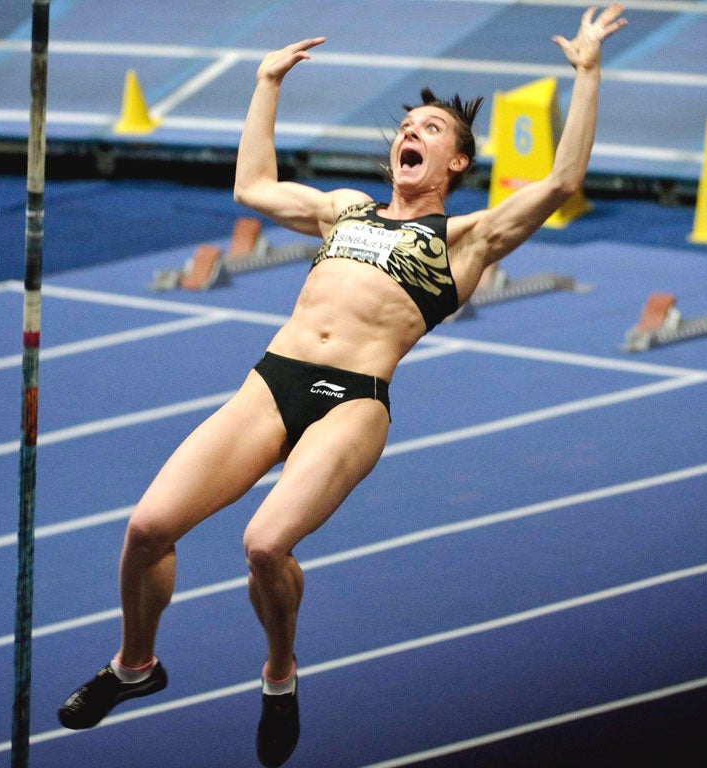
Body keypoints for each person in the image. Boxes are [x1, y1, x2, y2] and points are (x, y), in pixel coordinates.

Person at [58, 5, 627, 766]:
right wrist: (266, 82)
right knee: (147, 528)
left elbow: (562, 179)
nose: (410, 136)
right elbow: (253, 186)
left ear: (457, 163)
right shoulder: (344, 212)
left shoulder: (464, 239)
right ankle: (136, 665)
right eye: (406, 127)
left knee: (265, 544)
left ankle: (280, 674)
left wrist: (587, 74)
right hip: (273, 381)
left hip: (353, 401)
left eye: (429, 131)